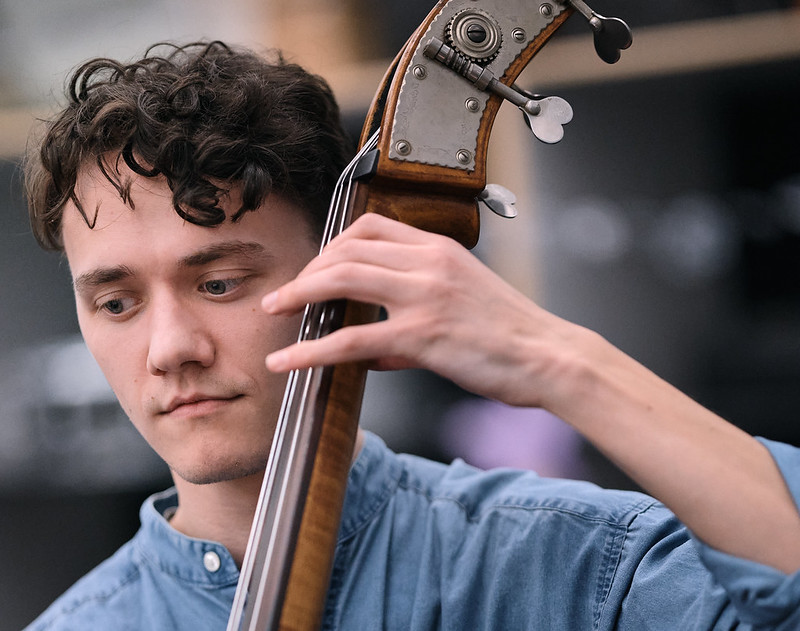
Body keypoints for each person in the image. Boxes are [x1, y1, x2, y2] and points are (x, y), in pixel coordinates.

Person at [21, 40, 800, 630]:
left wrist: (562, 360)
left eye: (218, 282)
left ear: (343, 266)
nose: (169, 349)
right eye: (117, 303)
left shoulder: (570, 565)